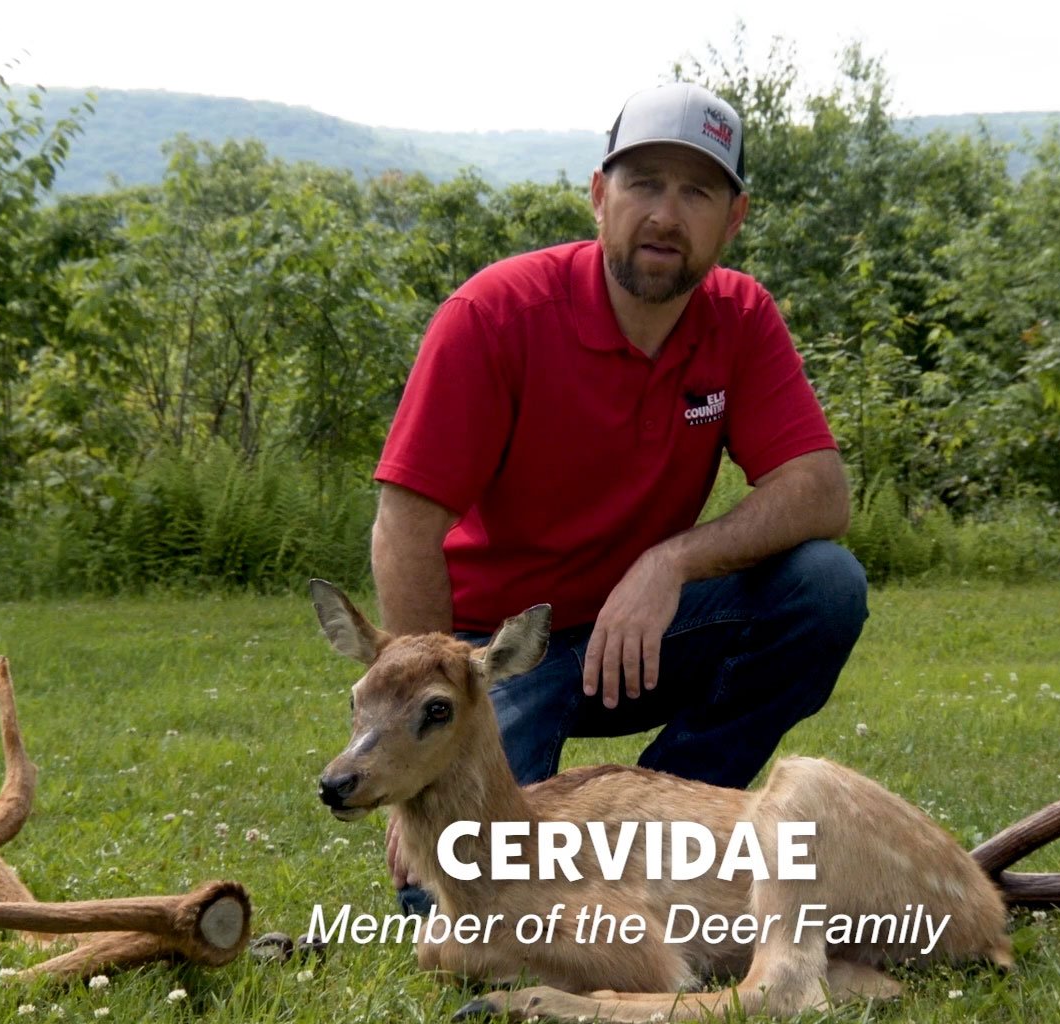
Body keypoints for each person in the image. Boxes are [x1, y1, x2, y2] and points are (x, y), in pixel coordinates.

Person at [367, 82, 869, 913]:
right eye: (643, 183)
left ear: (733, 218)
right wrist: (430, 728)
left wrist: (669, 562)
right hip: (498, 656)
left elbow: (818, 490)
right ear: (599, 196)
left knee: (824, 588)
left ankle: (660, 835)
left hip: (643, 638)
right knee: (456, 902)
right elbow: (405, 527)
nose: (666, 214)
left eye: (697, 190)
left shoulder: (741, 320)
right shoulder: (496, 315)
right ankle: (557, 843)